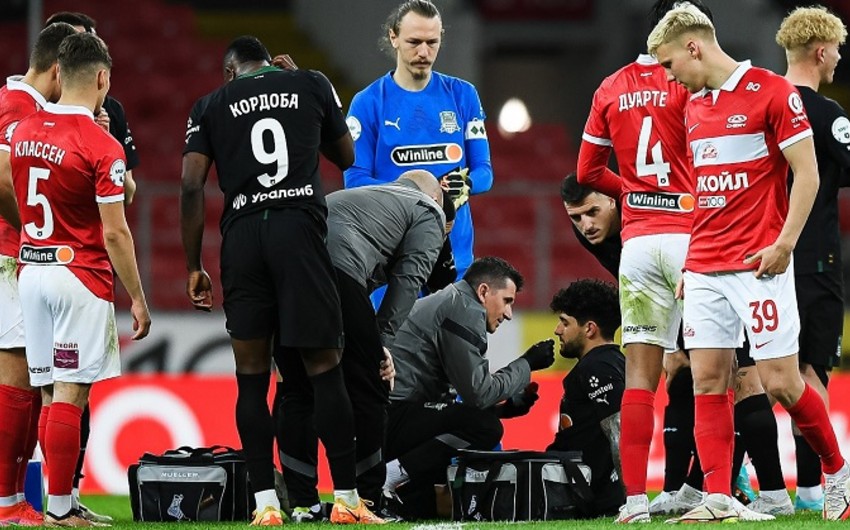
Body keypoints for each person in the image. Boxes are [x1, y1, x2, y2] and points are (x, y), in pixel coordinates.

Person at [649, 3, 850, 521]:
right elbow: (704, 193)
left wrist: (784, 244)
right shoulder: (693, 107)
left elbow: (807, 175)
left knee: (782, 380)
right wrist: (689, 264)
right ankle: (718, 497)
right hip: (704, 266)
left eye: (670, 64)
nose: (670, 77)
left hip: (759, 264)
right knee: (708, 381)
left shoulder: (773, 92)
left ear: (693, 47)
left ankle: (838, 471)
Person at [180, 35, 384, 525]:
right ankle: (348, 501)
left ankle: (265, 505)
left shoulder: (210, 105)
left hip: (243, 239)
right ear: (271, 64)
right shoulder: (310, 83)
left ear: (230, 72)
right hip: (299, 233)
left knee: (251, 379)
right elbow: (347, 156)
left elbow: (190, 184)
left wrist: (193, 265)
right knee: (324, 370)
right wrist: (311, 93)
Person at [7, 32, 151, 526]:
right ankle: (62, 508)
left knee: (49, 392)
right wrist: (138, 298)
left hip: (30, 272)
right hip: (78, 275)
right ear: (102, 78)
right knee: (71, 392)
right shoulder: (101, 144)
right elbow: (115, 232)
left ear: (59, 74)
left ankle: (56, 503)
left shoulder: (23, 130)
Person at [576, 0, 703, 521]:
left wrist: (632, 189)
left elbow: (587, 171)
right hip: (691, 238)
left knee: (640, 379)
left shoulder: (611, 85)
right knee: (718, 373)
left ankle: (633, 502)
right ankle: (717, 493)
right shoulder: (692, 80)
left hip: (639, 246)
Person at [274, 169, 451, 521]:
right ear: (436, 199)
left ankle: (303, 504)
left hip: (283, 277)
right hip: (337, 273)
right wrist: (381, 343)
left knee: (295, 390)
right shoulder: (428, 210)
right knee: (371, 386)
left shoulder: (364, 199)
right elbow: (408, 281)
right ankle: (366, 500)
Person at [383, 256, 554, 520]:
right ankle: (387, 477)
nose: (509, 314)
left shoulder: (454, 301)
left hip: (390, 416)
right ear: (483, 291)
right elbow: (478, 394)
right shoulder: (464, 307)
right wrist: (527, 363)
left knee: (426, 504)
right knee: (486, 428)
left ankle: (387, 497)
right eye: (507, 301)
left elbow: (459, 404)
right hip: (392, 415)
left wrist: (504, 408)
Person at [344, 0, 492, 285]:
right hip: (391, 260)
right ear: (394, 37)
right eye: (414, 42)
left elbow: (484, 172)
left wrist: (467, 184)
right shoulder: (367, 103)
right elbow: (355, 181)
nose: (424, 52)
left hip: (455, 262)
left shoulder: (463, 95)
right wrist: (415, 196)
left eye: (432, 42)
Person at [0, 21, 77, 527]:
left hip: (17, 255)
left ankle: (14, 501)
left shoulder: (16, 102)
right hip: (11, 255)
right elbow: (2, 180)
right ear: (57, 70)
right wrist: (35, 232)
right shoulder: (18, 108)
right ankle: (8, 504)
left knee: (26, 381)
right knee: (16, 380)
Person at [776, 5, 850, 513]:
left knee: (759, 372)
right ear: (820, 51)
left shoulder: (759, 102)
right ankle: (814, 490)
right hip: (813, 261)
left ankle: (746, 481)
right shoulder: (827, 115)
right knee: (810, 373)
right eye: (838, 50)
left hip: (758, 258)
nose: (840, 58)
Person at [547, 279, 625, 517]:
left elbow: (619, 431)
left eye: (564, 322)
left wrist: (632, 497)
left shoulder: (598, 366)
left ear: (589, 329)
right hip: (583, 491)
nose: (557, 330)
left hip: (588, 498)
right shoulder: (611, 361)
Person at [45, 12, 139, 205]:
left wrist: (106, 144)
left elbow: (128, 193)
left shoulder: (110, 109)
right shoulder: (34, 108)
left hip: (95, 222)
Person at [560, 173, 621, 279]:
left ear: (611, 201)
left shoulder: (640, 212)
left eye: (592, 212)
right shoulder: (584, 234)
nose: (587, 226)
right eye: (576, 217)